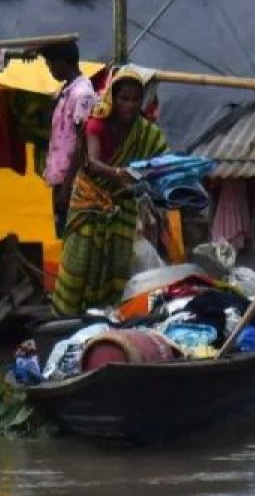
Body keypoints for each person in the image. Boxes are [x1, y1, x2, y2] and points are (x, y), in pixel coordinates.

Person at [52, 70, 169, 316]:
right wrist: (120, 173)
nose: (130, 105)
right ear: (113, 99)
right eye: (124, 99)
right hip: (89, 200)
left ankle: (107, 316)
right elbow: (92, 161)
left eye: (136, 99)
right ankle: (66, 316)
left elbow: (161, 162)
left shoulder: (146, 132)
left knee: (116, 263)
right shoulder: (98, 121)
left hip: (121, 205)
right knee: (79, 260)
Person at [40, 40, 97, 238]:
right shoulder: (67, 91)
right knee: (63, 233)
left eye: (49, 65)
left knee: (72, 235)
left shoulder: (82, 95)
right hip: (62, 178)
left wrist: (66, 187)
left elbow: (83, 143)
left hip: (73, 181)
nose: (49, 70)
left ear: (61, 63)